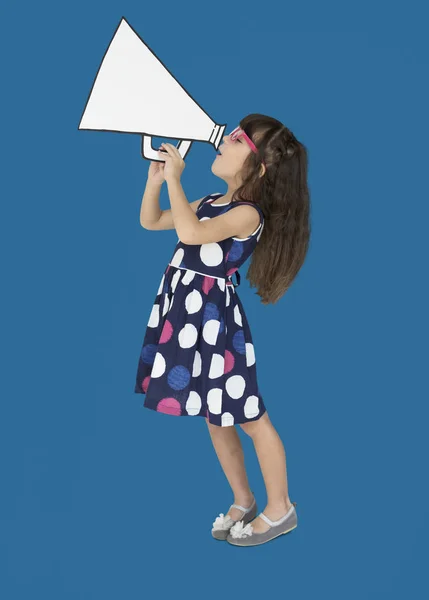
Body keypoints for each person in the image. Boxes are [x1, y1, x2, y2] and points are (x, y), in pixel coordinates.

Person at [135, 113, 311, 546]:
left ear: (259, 169)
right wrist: (157, 180)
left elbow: (192, 234)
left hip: (214, 325)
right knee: (217, 415)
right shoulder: (212, 199)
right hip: (189, 319)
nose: (223, 142)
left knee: (249, 416)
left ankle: (280, 508)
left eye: (236, 141)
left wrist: (177, 179)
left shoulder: (247, 214)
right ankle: (242, 497)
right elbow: (153, 221)